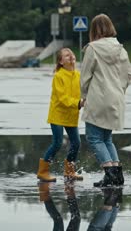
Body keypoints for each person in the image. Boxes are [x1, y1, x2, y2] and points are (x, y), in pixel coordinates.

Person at [80, 14, 131, 187]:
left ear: (94, 30)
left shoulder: (92, 49)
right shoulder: (121, 49)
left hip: (98, 98)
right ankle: (117, 175)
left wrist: (84, 96)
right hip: (116, 98)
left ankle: (109, 174)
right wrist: (120, 90)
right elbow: (128, 75)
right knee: (106, 138)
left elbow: (85, 76)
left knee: (94, 138)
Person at [37, 48, 84, 182]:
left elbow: (84, 91)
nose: (70, 56)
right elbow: (63, 98)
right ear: (61, 61)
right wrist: (78, 103)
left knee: (76, 143)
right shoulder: (58, 76)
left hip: (71, 114)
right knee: (57, 143)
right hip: (57, 115)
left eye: (71, 54)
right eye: (66, 55)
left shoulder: (78, 75)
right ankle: (43, 171)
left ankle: (69, 171)